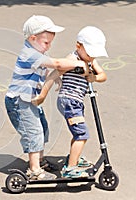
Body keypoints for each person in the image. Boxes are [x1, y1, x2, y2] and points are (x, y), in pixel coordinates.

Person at [4, 15, 88, 180]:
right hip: (19, 101)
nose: (48, 47)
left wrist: (55, 77)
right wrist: (78, 63)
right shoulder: (29, 53)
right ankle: (34, 170)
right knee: (33, 131)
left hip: (29, 100)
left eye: (50, 43)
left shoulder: (36, 51)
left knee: (42, 127)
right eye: (46, 43)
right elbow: (57, 64)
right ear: (32, 38)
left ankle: (40, 161)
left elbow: (46, 70)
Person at [33, 26, 108, 178]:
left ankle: (73, 159)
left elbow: (103, 75)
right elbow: (54, 74)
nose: (92, 57)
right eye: (90, 53)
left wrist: (94, 77)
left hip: (77, 103)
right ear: (78, 46)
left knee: (78, 132)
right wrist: (43, 94)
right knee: (82, 134)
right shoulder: (72, 60)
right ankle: (71, 168)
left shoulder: (90, 60)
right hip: (69, 102)